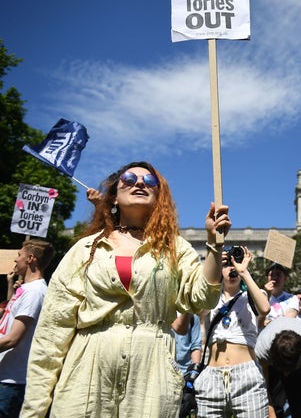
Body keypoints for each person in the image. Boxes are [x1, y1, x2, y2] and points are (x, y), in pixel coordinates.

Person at [21, 161, 231, 418]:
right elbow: (52, 331)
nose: (140, 183)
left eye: (150, 181)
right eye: (129, 178)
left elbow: (203, 298)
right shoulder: (86, 249)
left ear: (159, 198)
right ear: (114, 197)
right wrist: (34, 409)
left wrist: (214, 244)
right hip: (86, 373)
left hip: (151, 375)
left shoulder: (175, 248)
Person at [194, 245, 271, 418]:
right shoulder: (211, 298)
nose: (232, 267)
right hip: (212, 378)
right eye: (227, 264)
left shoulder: (252, 295)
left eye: (234, 262)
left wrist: (244, 272)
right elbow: (200, 310)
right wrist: (213, 268)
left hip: (247, 376)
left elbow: (265, 309)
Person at [0, 240, 52, 418]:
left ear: (30, 258)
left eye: (19, 256)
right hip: (6, 377)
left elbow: (12, 339)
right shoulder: (26, 289)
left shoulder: (35, 292)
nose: (15, 260)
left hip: (12, 382)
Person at [256, 316, 301, 418]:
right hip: (271, 365)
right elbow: (264, 392)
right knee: (276, 405)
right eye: (284, 370)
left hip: (298, 364)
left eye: (289, 370)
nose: (286, 374)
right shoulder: (262, 351)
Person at [172, 312, 203, 418]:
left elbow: (196, 346)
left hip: (184, 373)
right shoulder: (164, 312)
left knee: (183, 410)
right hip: (165, 371)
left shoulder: (193, 317)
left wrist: (194, 375)